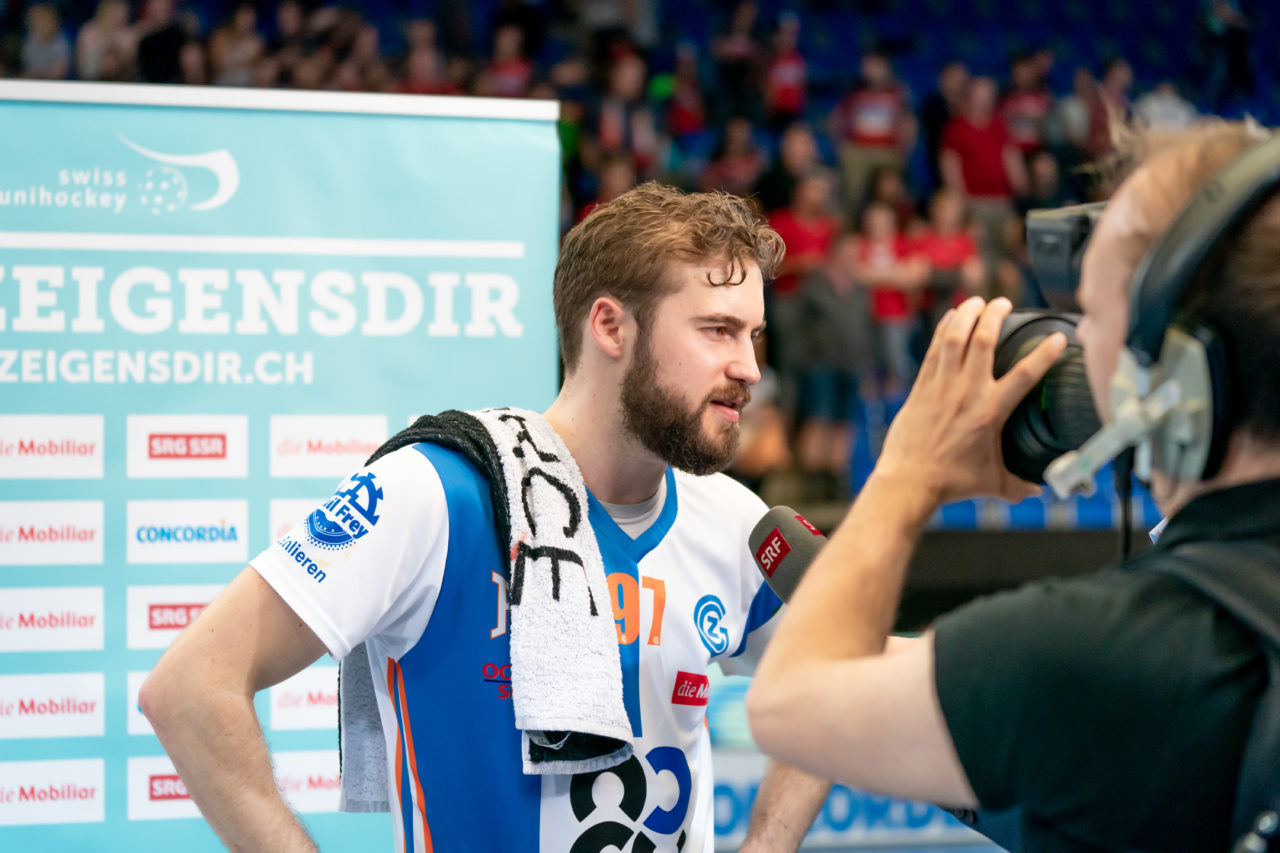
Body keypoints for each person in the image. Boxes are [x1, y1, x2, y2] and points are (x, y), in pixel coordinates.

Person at [140, 184, 831, 852]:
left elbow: (832, 673)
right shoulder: (439, 490)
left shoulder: (735, 521)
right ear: (611, 327)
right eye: (718, 330)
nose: (748, 367)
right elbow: (190, 687)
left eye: (753, 336)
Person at [747, 119, 1280, 851]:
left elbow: (789, 706)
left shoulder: (1099, 648)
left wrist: (910, 471)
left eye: (1092, 317)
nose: (1070, 343)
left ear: (1176, 364)